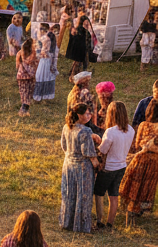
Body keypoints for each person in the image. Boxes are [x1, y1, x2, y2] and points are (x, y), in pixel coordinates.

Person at [93, 100, 134, 230]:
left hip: (109, 167)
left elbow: (103, 150)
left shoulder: (110, 132)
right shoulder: (131, 130)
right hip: (122, 166)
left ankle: (99, 220)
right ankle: (110, 223)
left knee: (99, 193)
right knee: (113, 195)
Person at [61, 104, 99, 233]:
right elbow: (87, 152)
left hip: (68, 165)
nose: (90, 116)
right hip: (83, 168)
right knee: (83, 196)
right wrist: (96, 164)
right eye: (87, 113)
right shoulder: (85, 131)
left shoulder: (67, 127)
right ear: (79, 115)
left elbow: (64, 146)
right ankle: (81, 225)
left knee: (69, 194)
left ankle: (67, 222)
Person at [120, 98, 158, 224]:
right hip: (154, 162)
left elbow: (136, 145)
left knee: (135, 186)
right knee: (146, 188)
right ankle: (136, 213)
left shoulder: (142, 125)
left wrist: (144, 147)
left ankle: (129, 213)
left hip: (139, 159)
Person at [34, 23, 58, 103]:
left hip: (44, 60)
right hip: (48, 59)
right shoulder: (50, 37)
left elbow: (38, 48)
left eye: (40, 29)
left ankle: (39, 96)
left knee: (40, 76)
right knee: (46, 76)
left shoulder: (44, 38)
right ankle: (46, 96)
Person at [66, 14, 94, 82]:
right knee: (78, 63)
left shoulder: (83, 30)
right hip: (80, 50)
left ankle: (74, 75)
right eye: (86, 22)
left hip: (81, 50)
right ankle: (73, 77)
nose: (87, 24)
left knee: (79, 63)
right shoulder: (80, 30)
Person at [16, 36, 39, 116]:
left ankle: (25, 111)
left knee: (29, 94)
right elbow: (29, 60)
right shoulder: (26, 52)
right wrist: (34, 51)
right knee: (25, 94)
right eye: (34, 44)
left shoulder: (33, 52)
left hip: (31, 76)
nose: (36, 45)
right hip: (24, 76)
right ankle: (22, 112)